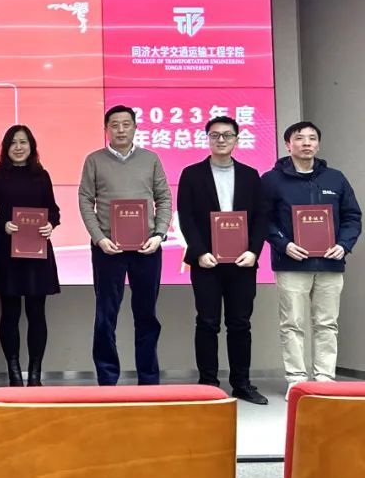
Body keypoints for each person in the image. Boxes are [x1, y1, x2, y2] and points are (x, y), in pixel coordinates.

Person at [262, 121, 361, 400]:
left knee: (327, 323)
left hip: (330, 264)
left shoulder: (335, 178)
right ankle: (296, 380)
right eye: (299, 138)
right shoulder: (271, 180)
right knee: (292, 324)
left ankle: (324, 379)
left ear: (318, 144)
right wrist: (284, 244)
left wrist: (343, 245)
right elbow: (263, 219)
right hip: (291, 263)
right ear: (288, 145)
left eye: (312, 138)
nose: (306, 143)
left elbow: (352, 217)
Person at [177, 116, 269, 405]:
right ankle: (208, 384)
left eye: (227, 135)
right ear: (207, 139)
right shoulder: (192, 174)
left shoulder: (250, 175)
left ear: (237, 140)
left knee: (240, 323)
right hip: (206, 261)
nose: (221, 140)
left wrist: (254, 251)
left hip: (243, 262)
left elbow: (261, 217)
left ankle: (242, 383)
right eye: (215, 135)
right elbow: (186, 217)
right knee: (207, 322)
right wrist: (199, 251)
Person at [78, 105, 172, 386]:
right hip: (108, 249)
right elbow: (85, 200)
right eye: (115, 125)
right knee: (105, 316)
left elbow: (164, 198)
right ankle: (107, 380)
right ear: (106, 129)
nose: (120, 130)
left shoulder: (151, 159)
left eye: (126, 124)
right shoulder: (94, 160)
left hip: (147, 249)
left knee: (147, 316)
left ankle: (149, 380)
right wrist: (99, 237)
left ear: (135, 127)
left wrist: (159, 234)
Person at [0, 125, 61, 387]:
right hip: (8, 253)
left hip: (38, 251)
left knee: (37, 313)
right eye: (13, 142)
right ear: (6, 147)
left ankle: (35, 374)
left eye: (23, 142)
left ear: (31, 146)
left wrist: (50, 224)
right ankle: (14, 373)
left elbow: (53, 210)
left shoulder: (41, 175)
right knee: (10, 312)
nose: (18, 147)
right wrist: (2, 223)